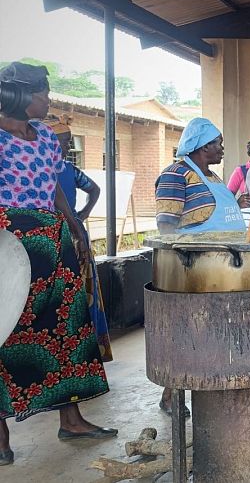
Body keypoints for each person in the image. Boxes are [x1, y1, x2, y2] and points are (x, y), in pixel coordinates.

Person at [0, 62, 117, 467]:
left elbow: (55, 192)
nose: (48, 100)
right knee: (5, 334)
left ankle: (72, 418)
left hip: (54, 241)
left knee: (68, 327)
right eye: (42, 93)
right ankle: (0, 434)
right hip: (7, 247)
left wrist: (76, 232)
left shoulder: (47, 137)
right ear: (18, 95)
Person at [154, 117, 245, 416]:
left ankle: (214, 388)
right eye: (218, 143)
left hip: (226, 266)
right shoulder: (175, 174)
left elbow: (214, 214)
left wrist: (242, 203)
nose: (221, 148)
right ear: (203, 146)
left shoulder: (214, 179)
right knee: (189, 335)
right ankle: (171, 396)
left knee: (214, 334)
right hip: (195, 268)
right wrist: (183, 265)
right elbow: (166, 228)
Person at [45, 114, 112, 361]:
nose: (67, 147)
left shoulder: (66, 169)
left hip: (70, 235)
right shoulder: (60, 170)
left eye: (68, 141)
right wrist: (79, 216)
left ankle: (82, 350)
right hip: (61, 235)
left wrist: (81, 215)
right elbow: (93, 189)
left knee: (79, 293)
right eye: (63, 141)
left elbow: (94, 189)